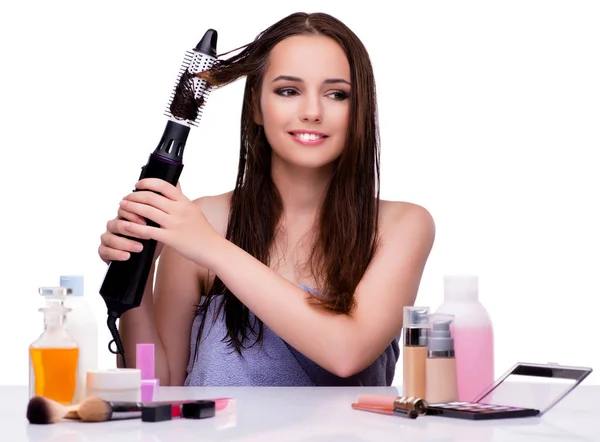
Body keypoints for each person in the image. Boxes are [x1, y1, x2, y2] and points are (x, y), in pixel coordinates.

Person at [98, 12, 435, 387]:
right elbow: (157, 385)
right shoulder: (202, 219)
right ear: (256, 106)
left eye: (337, 94)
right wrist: (137, 273)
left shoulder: (400, 226)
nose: (312, 112)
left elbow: (347, 352)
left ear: (360, 110)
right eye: (288, 91)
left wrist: (211, 248)